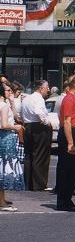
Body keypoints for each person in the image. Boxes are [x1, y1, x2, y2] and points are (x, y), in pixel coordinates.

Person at [56, 74, 75, 211]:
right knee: (68, 170)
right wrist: (70, 143)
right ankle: (63, 201)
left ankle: (66, 199)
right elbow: (67, 122)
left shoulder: (72, 98)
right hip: (69, 133)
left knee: (71, 170)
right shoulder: (69, 99)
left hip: (72, 132)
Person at [21, 80, 52, 191]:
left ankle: (28, 183)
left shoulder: (27, 98)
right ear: (40, 88)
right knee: (40, 155)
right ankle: (39, 184)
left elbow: (21, 113)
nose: (48, 90)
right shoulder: (38, 99)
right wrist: (46, 122)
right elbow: (39, 111)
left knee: (29, 155)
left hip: (28, 126)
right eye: (46, 87)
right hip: (38, 127)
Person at [0, 82, 25, 212]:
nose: (10, 92)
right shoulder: (3, 106)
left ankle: (1, 199)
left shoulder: (5, 104)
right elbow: (4, 124)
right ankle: (1, 202)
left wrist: (12, 102)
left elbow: (15, 116)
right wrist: (16, 127)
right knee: (4, 169)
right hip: (5, 137)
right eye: (8, 90)